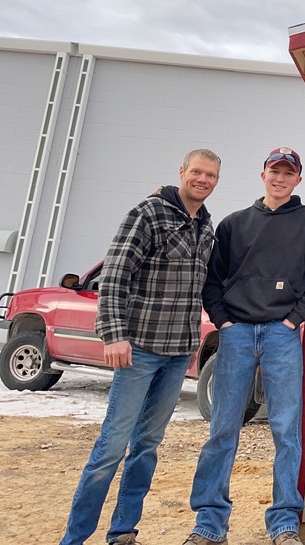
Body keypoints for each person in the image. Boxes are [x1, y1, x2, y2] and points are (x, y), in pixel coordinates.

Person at [59, 149, 221, 545]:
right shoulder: (147, 213)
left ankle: (122, 531)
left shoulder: (205, 226)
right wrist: (113, 334)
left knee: (147, 446)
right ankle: (75, 538)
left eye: (211, 175)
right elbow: (115, 275)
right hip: (140, 350)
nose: (203, 179)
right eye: (197, 172)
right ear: (181, 172)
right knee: (112, 445)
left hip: (179, 351)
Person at [185, 147, 305, 545]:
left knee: (286, 430)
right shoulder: (234, 225)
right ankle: (209, 524)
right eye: (274, 171)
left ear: (298, 179)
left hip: (282, 335)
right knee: (223, 428)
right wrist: (224, 322)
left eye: (288, 173)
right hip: (237, 334)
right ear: (262, 175)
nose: (280, 178)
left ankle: (284, 522)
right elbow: (213, 281)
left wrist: (292, 320)